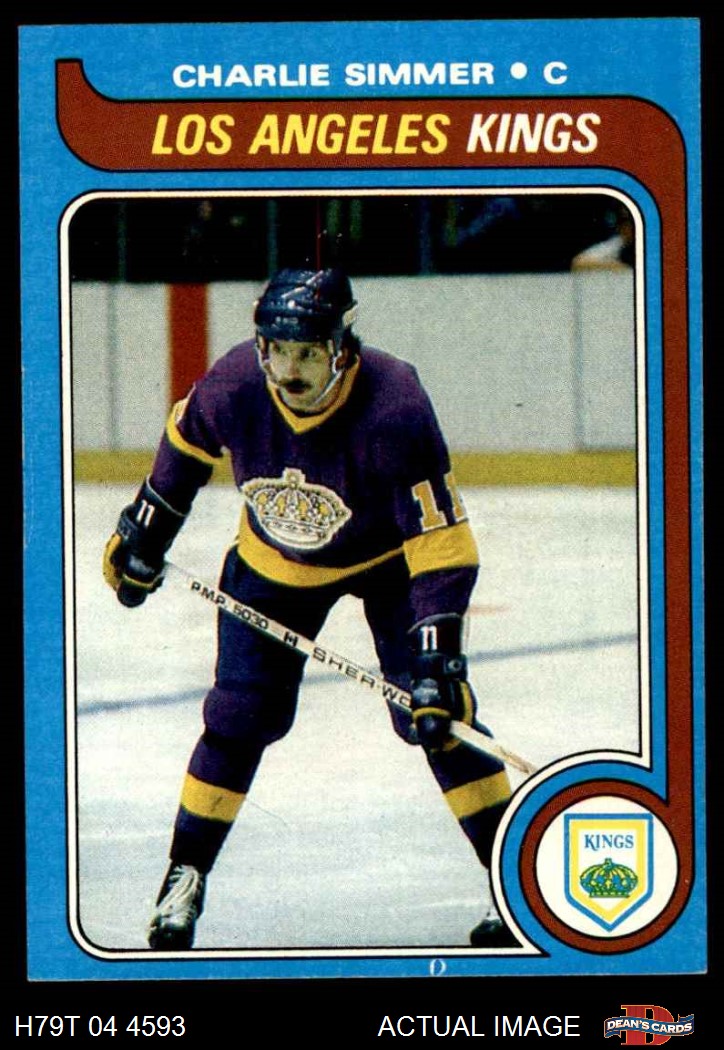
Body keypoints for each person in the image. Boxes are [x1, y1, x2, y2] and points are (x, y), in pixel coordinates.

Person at [103, 267, 517, 951]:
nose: (289, 371)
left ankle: (515, 882)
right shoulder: (236, 382)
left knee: (440, 720)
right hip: (272, 565)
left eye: (307, 353)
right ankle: (184, 875)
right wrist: (144, 530)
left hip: (387, 564)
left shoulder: (395, 402)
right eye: (277, 351)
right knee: (237, 717)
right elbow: (185, 445)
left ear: (342, 350)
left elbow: (440, 539)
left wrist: (439, 658)